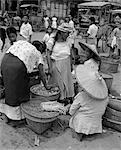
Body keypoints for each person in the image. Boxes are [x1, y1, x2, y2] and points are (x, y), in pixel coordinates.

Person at [0, 37, 51, 127]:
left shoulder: (22, 43)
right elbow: (42, 73)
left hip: (5, 62)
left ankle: (8, 115)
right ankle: (17, 118)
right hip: (17, 67)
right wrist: (46, 86)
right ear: (40, 49)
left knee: (10, 90)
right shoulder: (37, 53)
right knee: (19, 92)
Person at [69, 42, 109, 141]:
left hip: (83, 122)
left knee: (74, 116)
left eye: (86, 51)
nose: (85, 52)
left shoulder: (82, 96)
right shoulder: (105, 96)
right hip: (96, 123)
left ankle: (80, 132)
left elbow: (71, 111)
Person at [47, 24, 75, 106]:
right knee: (59, 84)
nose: (68, 35)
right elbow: (48, 54)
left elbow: (69, 54)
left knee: (67, 82)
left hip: (66, 65)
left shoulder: (68, 41)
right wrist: (50, 68)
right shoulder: (52, 41)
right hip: (56, 64)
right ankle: (60, 99)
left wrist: (71, 65)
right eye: (67, 33)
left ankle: (67, 98)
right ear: (61, 33)